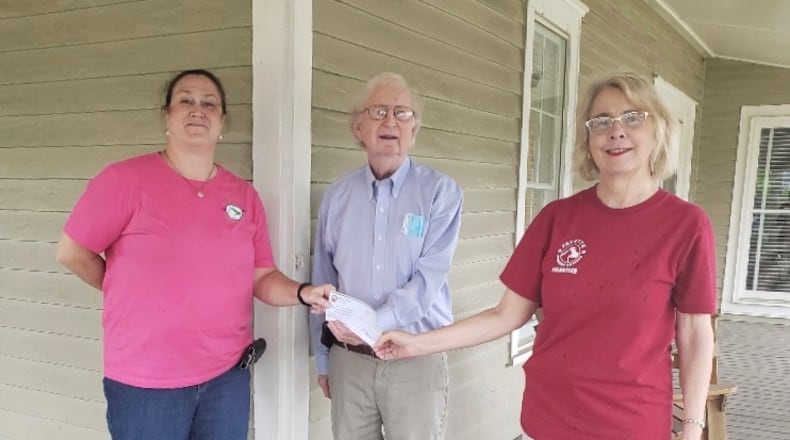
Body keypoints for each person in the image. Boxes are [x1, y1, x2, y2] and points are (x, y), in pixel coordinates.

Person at [375, 73, 716, 440]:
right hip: (548, 421)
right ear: (588, 139)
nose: (616, 131)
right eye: (601, 121)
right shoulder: (558, 219)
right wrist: (416, 343)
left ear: (658, 129)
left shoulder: (685, 225)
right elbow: (505, 315)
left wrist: (693, 428)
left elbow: (694, 335)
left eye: (632, 118)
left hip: (632, 426)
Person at [55, 69, 332, 440]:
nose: (197, 110)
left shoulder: (243, 196)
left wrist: (303, 292)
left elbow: (261, 277)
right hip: (147, 382)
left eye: (209, 104)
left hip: (226, 378)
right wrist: (125, 290)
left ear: (222, 122)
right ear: (167, 116)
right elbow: (72, 252)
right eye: (185, 100)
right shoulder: (124, 180)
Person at [309, 72, 463, 440]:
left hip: (415, 358)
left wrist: (370, 324)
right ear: (358, 128)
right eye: (378, 111)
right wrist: (324, 358)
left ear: (415, 129)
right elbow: (322, 282)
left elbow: (427, 284)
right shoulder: (337, 196)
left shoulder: (440, 193)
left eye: (402, 113)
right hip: (350, 362)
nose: (390, 121)